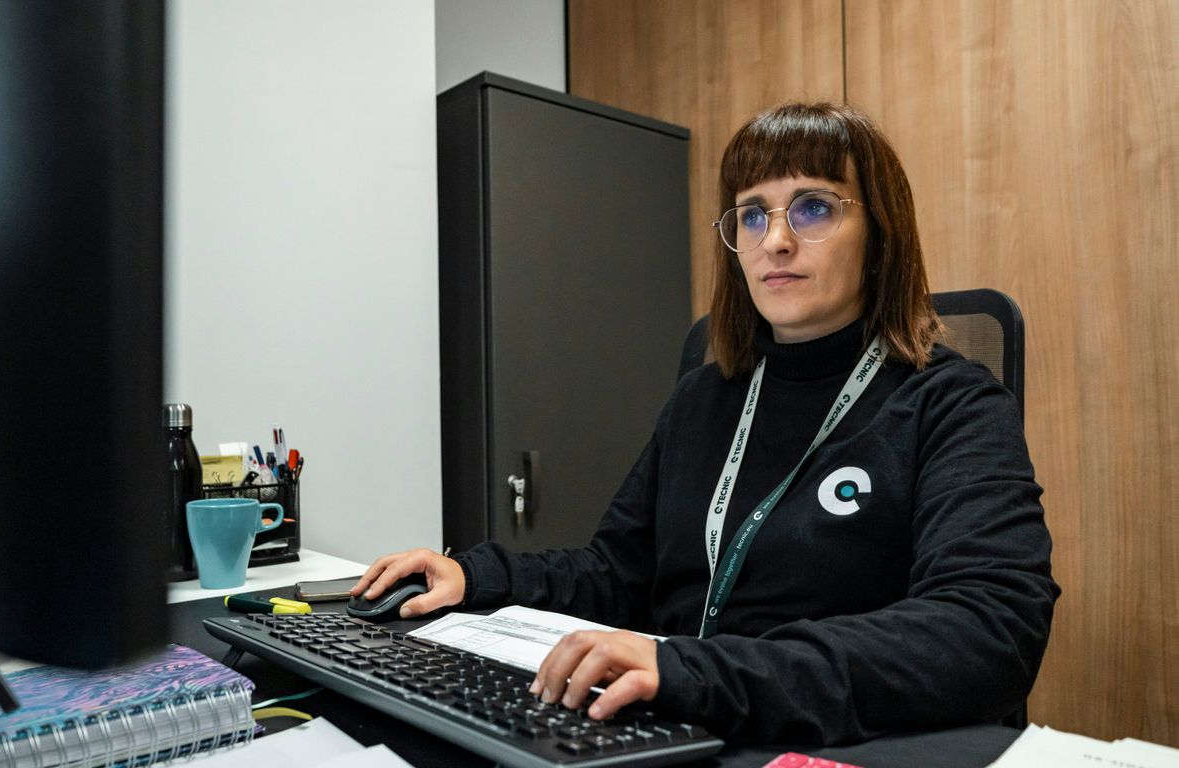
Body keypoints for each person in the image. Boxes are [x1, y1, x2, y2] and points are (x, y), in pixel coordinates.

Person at [351, 101, 1060, 746]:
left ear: (880, 234)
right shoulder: (705, 398)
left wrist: (696, 670)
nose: (774, 241)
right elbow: (616, 574)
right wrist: (473, 574)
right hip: (671, 717)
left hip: (816, 736)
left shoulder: (952, 403)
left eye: (812, 208)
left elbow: (987, 631)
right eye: (752, 214)